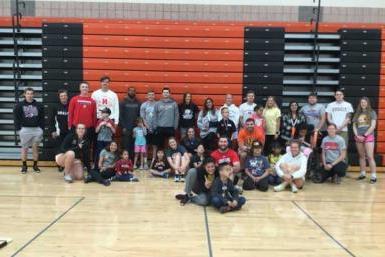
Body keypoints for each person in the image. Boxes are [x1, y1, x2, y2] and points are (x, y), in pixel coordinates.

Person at [14, 87, 44, 173]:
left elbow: (42, 118)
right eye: (28, 93)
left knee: (35, 148)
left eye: (31, 94)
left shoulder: (39, 105)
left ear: (34, 95)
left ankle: (35, 166)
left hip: (36, 129)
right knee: (24, 148)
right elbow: (16, 118)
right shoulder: (19, 105)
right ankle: (24, 166)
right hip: (25, 129)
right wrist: (18, 129)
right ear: (24, 94)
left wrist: (41, 129)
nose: (30, 95)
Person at [353, 97, 377, 183]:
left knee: (370, 157)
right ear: (360, 103)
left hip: (368, 136)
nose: (363, 104)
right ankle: (362, 174)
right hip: (358, 137)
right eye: (362, 102)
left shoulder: (372, 112)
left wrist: (364, 135)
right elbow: (354, 126)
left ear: (367, 103)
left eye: (365, 102)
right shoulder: (357, 113)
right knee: (361, 156)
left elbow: (373, 126)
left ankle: (373, 176)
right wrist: (357, 135)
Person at [326, 90, 353, 161]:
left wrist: (340, 128)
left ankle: (343, 167)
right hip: (332, 131)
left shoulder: (348, 105)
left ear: (343, 96)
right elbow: (329, 118)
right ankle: (334, 166)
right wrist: (334, 128)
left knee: (343, 149)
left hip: (343, 130)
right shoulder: (330, 105)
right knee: (333, 148)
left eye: (340, 94)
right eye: (337, 94)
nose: (338, 96)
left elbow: (348, 118)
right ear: (335, 96)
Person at [48, 89, 70, 172]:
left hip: (69, 132)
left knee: (68, 149)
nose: (63, 97)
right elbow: (51, 120)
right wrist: (53, 130)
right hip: (58, 132)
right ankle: (60, 165)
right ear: (59, 97)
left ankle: (67, 164)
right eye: (61, 96)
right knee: (59, 149)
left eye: (65, 95)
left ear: (67, 97)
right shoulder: (55, 107)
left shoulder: (71, 106)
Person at [119, 87, 141, 158]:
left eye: (133, 91)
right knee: (126, 145)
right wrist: (123, 127)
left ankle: (132, 161)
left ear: (135, 93)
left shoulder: (138, 103)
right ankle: (126, 160)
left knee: (135, 145)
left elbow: (139, 116)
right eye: (130, 91)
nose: (132, 92)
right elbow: (120, 116)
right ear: (127, 92)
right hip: (126, 128)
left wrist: (139, 126)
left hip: (136, 128)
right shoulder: (123, 102)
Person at [140, 90, 157, 165]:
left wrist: (154, 127)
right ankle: (145, 162)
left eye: (152, 95)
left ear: (154, 96)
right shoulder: (144, 105)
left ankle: (153, 162)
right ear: (147, 96)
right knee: (145, 145)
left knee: (154, 145)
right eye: (149, 95)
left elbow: (159, 116)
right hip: (146, 128)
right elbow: (143, 118)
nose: (151, 96)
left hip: (155, 128)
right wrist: (147, 127)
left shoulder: (157, 104)